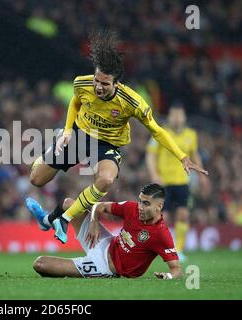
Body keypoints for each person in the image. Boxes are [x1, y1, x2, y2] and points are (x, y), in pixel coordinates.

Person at [28, 30, 208, 244]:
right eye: (97, 81)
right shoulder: (82, 84)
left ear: (117, 84)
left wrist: (182, 156)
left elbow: (158, 130)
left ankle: (63, 218)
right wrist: (67, 130)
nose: (98, 87)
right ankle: (50, 214)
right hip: (80, 135)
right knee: (36, 179)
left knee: (105, 179)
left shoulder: (132, 102)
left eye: (105, 84)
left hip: (108, 144)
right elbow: (76, 101)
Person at [27, 183, 182, 279]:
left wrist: (168, 276)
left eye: (146, 203)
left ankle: (80, 269)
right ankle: (46, 221)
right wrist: (94, 222)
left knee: (40, 264)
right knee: (69, 204)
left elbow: (176, 269)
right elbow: (98, 206)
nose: (140, 206)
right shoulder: (131, 208)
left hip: (104, 266)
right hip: (103, 242)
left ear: (159, 207)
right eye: (140, 201)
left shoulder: (161, 234)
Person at [146, 105, 209, 261]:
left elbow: (194, 155)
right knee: (163, 217)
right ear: (169, 117)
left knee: (183, 215)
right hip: (164, 182)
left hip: (182, 181)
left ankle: (178, 250)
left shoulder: (191, 135)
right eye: (173, 115)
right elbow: (150, 155)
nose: (176, 118)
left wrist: (201, 175)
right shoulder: (160, 133)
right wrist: (154, 174)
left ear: (184, 117)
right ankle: (161, 248)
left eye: (179, 115)